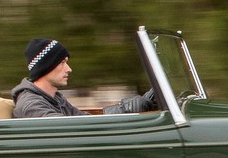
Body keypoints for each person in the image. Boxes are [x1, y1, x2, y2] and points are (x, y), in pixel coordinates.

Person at [10, 37, 161, 118]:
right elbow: (71, 129)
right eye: (62, 63)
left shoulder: (55, 99)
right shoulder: (31, 105)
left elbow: (85, 119)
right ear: (46, 66)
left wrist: (129, 108)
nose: (69, 69)